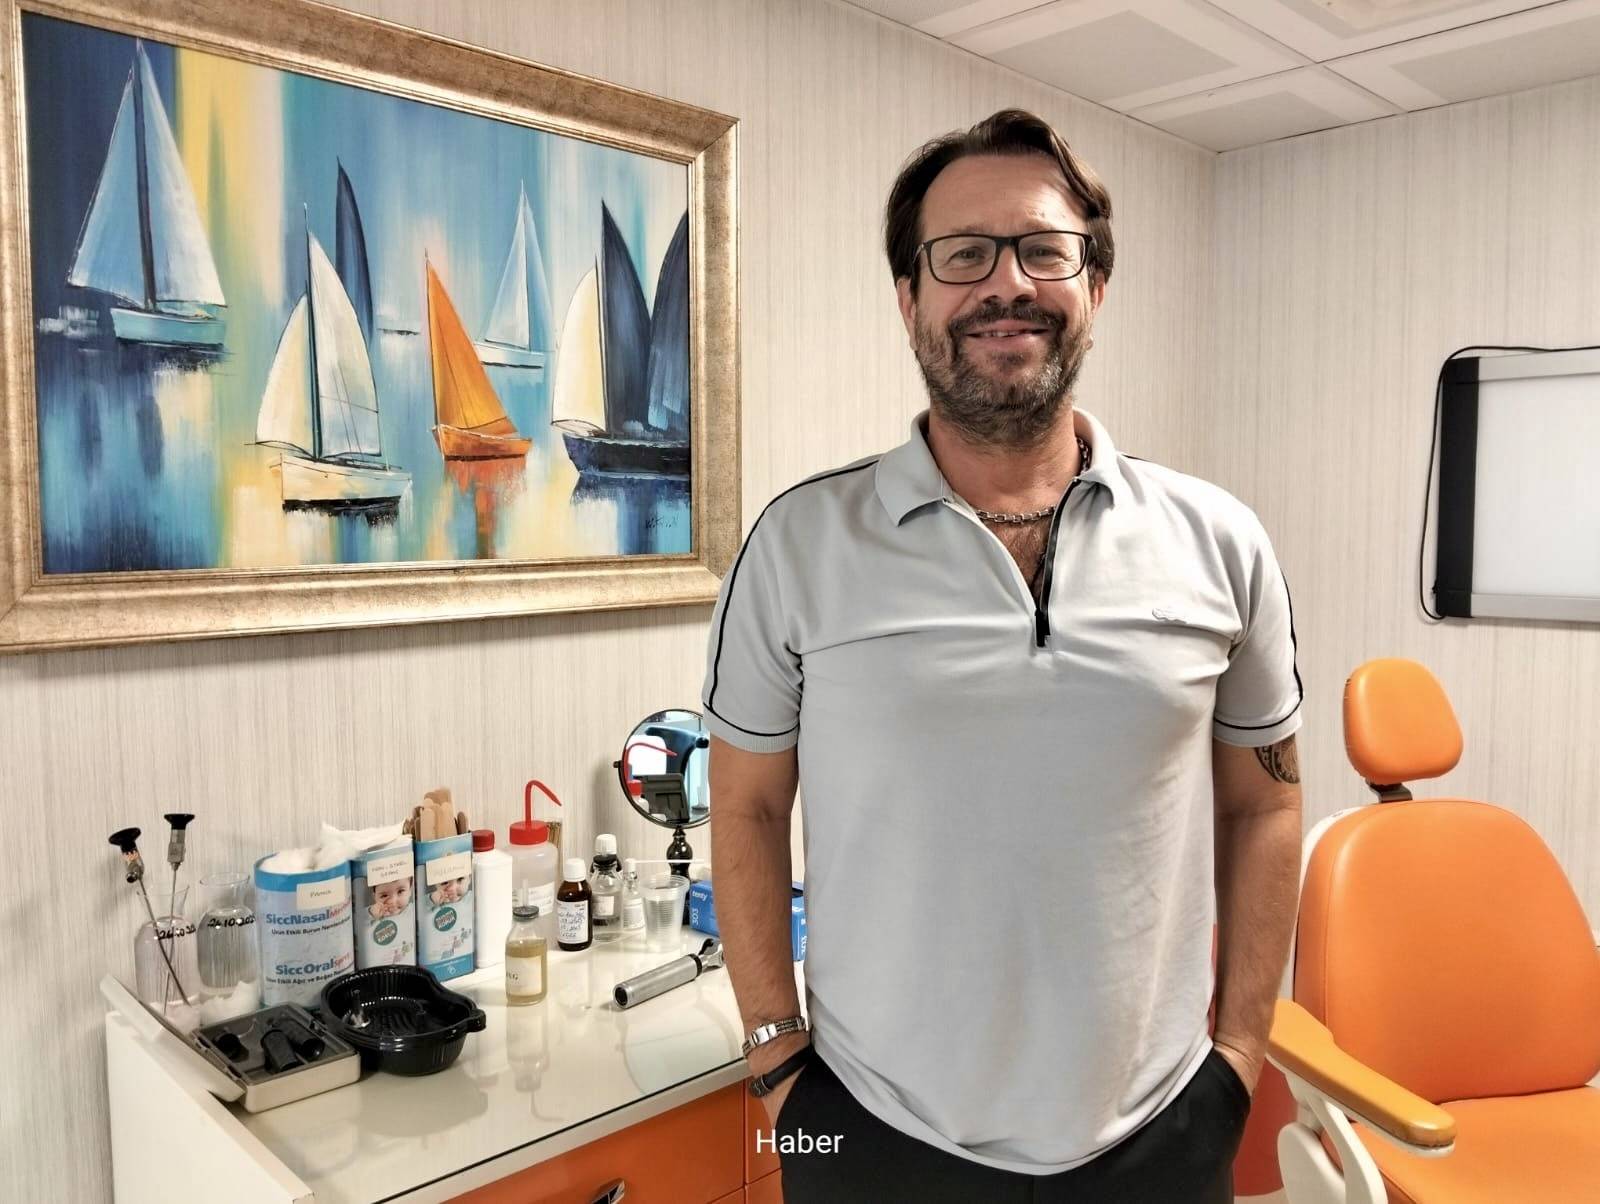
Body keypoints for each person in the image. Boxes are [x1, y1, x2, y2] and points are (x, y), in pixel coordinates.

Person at [703, 109, 1303, 1203]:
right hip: (863, 1132)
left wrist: (1241, 1057)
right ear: (909, 298)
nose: (1006, 284)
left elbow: (1264, 803)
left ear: (1096, 285)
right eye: (964, 254)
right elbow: (743, 808)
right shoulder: (798, 545)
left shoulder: (1220, 542)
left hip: (1163, 1132)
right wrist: (776, 1066)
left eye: (1043, 250)